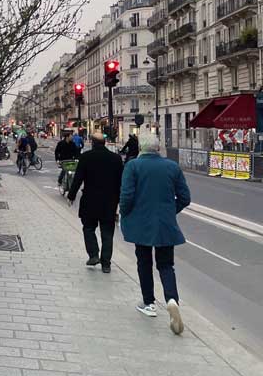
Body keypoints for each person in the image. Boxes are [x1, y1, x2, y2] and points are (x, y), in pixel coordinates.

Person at [120, 133, 190, 335]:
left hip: (141, 224)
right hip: (165, 224)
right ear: (158, 148)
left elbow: (126, 196)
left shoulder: (133, 166)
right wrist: (170, 211)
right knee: (166, 265)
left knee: (144, 262)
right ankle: (171, 299)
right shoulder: (172, 167)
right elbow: (185, 197)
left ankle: (149, 303)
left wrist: (125, 215)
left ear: (141, 148)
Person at [67, 131, 123, 273]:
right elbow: (121, 182)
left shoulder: (86, 157)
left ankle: (93, 254)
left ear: (92, 143)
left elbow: (78, 178)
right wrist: (121, 201)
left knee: (88, 228)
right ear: (104, 143)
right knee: (107, 233)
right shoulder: (116, 159)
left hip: (90, 200)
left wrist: (71, 195)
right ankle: (106, 264)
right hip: (109, 202)